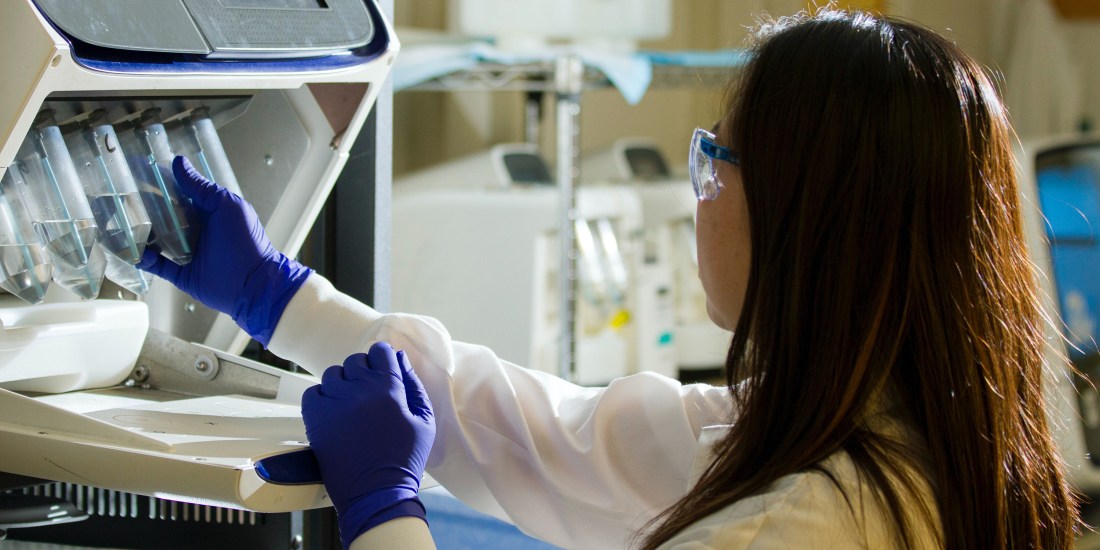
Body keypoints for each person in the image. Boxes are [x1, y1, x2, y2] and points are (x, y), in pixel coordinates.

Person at [139, 8, 1081, 549]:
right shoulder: (894, 439)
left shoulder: (797, 529)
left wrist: (388, 514)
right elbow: (541, 432)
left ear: (806, 218)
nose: (699, 190)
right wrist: (280, 297)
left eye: (715, 161)